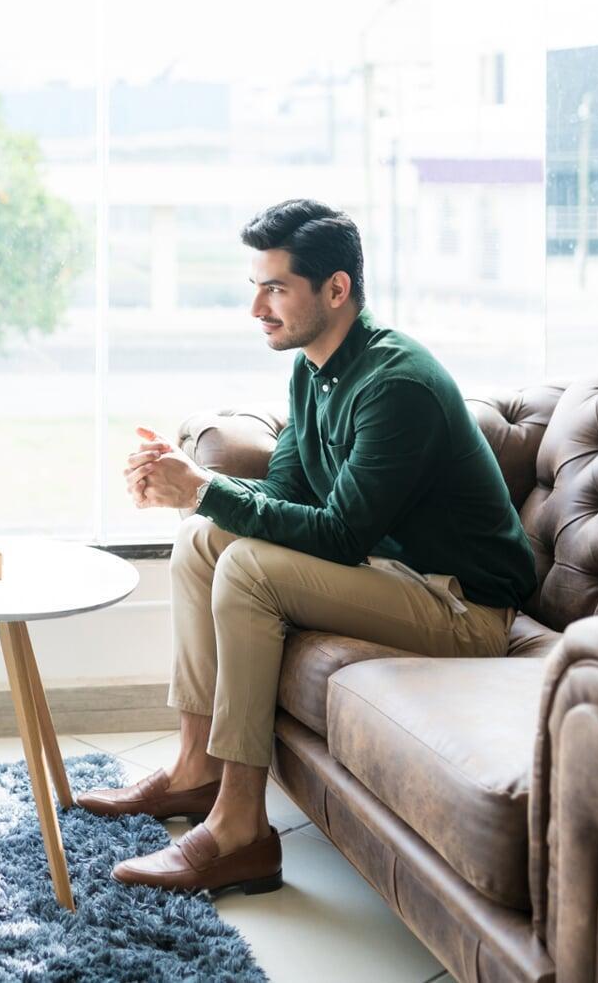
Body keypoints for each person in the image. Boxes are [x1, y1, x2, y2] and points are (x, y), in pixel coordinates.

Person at [80, 199, 536, 896]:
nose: (257, 308)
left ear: (336, 289)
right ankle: (195, 771)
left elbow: (339, 533)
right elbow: (288, 497)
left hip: (462, 608)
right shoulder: (313, 368)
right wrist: (193, 491)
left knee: (248, 567)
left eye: (276, 288)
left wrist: (201, 486)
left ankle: (241, 832)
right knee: (204, 543)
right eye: (255, 287)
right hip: (391, 574)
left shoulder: (397, 384)